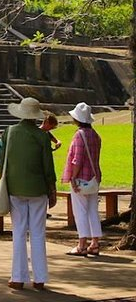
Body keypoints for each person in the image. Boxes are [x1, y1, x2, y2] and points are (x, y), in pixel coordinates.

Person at [0, 98, 56, 291]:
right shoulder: (42, 137)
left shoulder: (9, 132)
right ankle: (39, 278)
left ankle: (18, 277)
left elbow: (1, 163)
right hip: (38, 189)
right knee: (38, 232)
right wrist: (52, 189)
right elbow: (48, 167)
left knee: (19, 232)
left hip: (15, 188)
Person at [62, 102, 102, 257]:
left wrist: (72, 177)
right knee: (93, 210)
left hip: (81, 178)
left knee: (80, 211)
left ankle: (82, 244)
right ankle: (95, 243)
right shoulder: (95, 135)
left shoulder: (79, 135)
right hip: (94, 177)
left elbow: (77, 160)